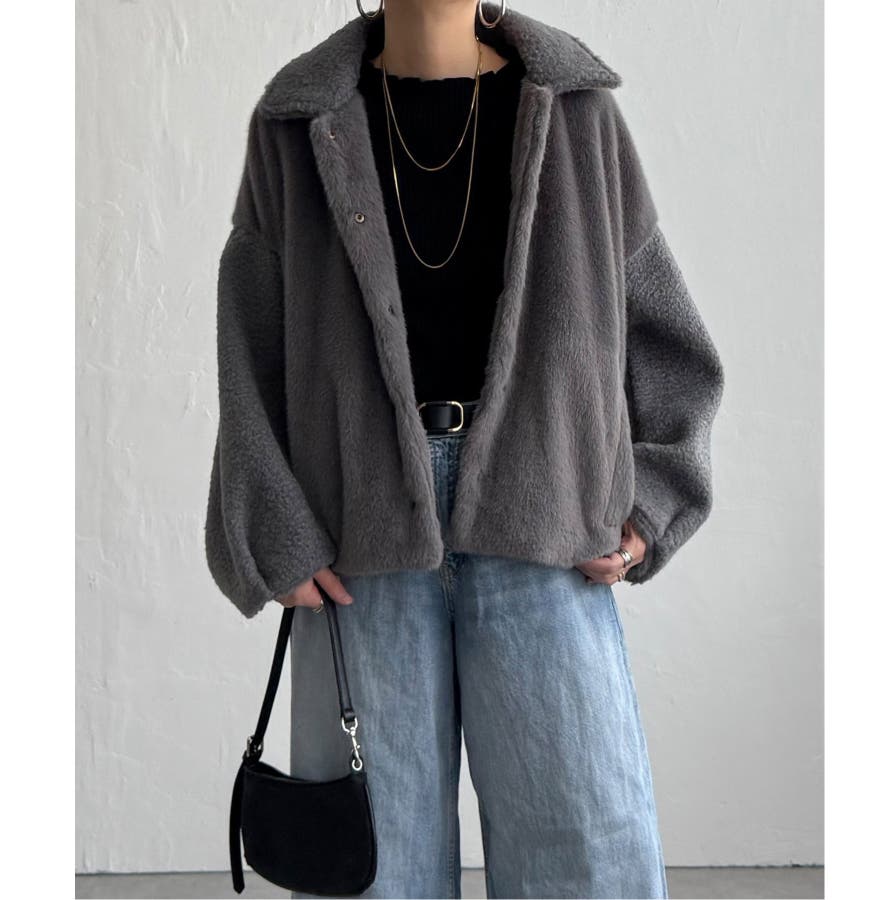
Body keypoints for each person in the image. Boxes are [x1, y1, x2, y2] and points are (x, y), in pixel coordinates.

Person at [205, 1, 725, 897]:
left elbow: (666, 334)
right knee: (377, 869)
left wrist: (653, 502)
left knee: (585, 854)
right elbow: (249, 339)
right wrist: (274, 527)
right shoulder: (297, 123)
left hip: (547, 529)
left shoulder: (577, 112)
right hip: (359, 540)